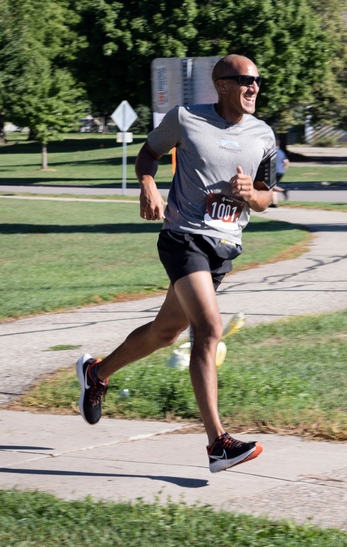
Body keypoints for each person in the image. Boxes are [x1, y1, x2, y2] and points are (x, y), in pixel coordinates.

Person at [76, 54, 277, 473]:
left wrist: (249, 195)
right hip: (183, 237)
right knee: (209, 328)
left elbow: (266, 196)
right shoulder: (185, 118)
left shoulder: (263, 135)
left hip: (224, 247)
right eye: (244, 80)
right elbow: (147, 155)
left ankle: (98, 373)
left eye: (257, 81)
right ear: (221, 84)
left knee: (166, 332)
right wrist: (147, 185)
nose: (254, 88)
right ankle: (217, 444)